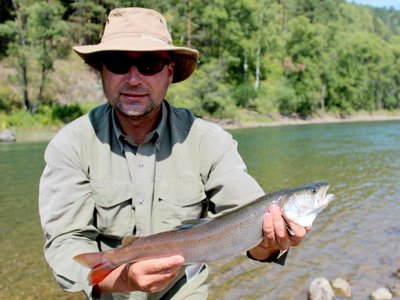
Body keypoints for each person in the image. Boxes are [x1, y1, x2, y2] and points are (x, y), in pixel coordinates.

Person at [39, 7, 309, 300]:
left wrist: (270, 242)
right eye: (118, 63)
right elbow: (65, 243)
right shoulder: (71, 145)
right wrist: (124, 279)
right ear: (102, 71)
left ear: (169, 74)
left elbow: (248, 230)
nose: (132, 79)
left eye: (149, 64)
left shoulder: (210, 142)